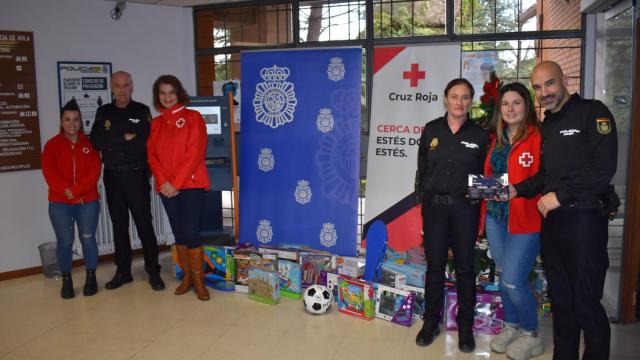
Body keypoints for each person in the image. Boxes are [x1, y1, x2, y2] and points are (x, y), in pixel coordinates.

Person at [511, 61, 617, 360]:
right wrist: (517, 189)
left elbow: (603, 168)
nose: (544, 92)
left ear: (564, 80)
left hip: (584, 220)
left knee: (585, 302)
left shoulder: (593, 113)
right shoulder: (548, 125)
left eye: (549, 84)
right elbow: (545, 175)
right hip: (554, 223)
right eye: (537, 87)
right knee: (561, 300)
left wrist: (560, 196)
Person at [415, 78, 490, 352]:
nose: (460, 102)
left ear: (471, 101)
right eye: (454, 96)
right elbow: (422, 169)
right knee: (434, 268)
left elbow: (487, 175)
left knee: (465, 269)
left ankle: (466, 327)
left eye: (465, 97)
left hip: (464, 210)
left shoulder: (480, 136)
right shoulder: (431, 130)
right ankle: (431, 321)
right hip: (434, 209)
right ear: (445, 99)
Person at [480, 82, 543, 359]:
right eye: (505, 104)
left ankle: (530, 333)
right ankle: (511, 325)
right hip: (496, 218)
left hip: (525, 220)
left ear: (526, 106)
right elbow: (491, 177)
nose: (510, 108)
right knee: (506, 275)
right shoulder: (497, 139)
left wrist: (517, 189)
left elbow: (543, 177)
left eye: (516, 102)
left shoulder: (538, 137)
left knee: (515, 280)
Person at [90, 71, 165, 291]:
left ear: (132, 87)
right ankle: (123, 272)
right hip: (113, 176)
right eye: (117, 86)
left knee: (144, 224)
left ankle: (153, 271)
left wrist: (113, 143)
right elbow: (96, 141)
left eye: (126, 86)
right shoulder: (103, 112)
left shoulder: (141, 111)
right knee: (119, 226)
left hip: (136, 174)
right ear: (111, 88)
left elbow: (146, 143)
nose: (122, 90)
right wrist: (124, 138)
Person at [147, 75, 211, 301]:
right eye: (162, 93)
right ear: (158, 96)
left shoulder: (193, 117)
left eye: (171, 92)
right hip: (166, 188)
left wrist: (176, 183)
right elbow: (152, 157)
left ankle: (199, 281)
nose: (167, 97)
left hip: (190, 185)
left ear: (178, 93)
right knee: (179, 232)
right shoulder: (155, 124)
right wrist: (165, 182)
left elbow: (194, 153)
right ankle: (187, 277)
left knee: (191, 232)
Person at [41, 100, 101, 299]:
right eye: (67, 119)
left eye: (76, 119)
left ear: (80, 122)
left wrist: (76, 190)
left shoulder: (90, 144)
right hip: (60, 203)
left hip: (87, 201)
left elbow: (94, 171)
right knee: (65, 241)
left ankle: (91, 276)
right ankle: (67, 278)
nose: (72, 124)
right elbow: (49, 173)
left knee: (87, 238)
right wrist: (66, 190)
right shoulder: (52, 146)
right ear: (61, 121)